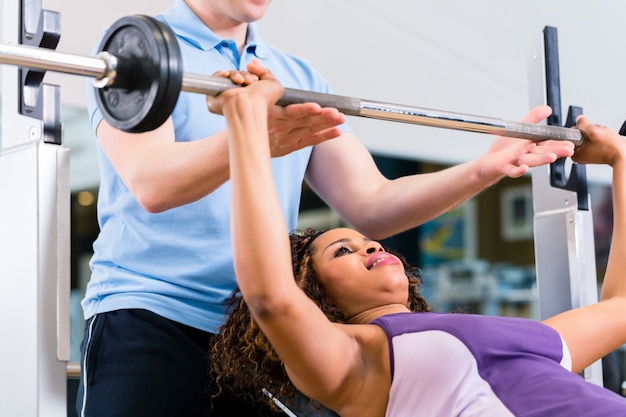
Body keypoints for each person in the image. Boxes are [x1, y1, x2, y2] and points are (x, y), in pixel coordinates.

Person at [77, 1, 574, 416]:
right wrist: (255, 135)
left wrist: (483, 168)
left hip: (264, 335)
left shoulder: (296, 77)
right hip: (151, 316)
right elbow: (151, 182)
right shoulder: (137, 49)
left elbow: (373, 204)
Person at [208, 61, 626, 417]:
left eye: (367, 241)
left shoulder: (530, 338)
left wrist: (620, 160)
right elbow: (271, 297)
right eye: (342, 251)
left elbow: (620, 306)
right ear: (312, 293)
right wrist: (248, 128)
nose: (371, 246)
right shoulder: (355, 362)